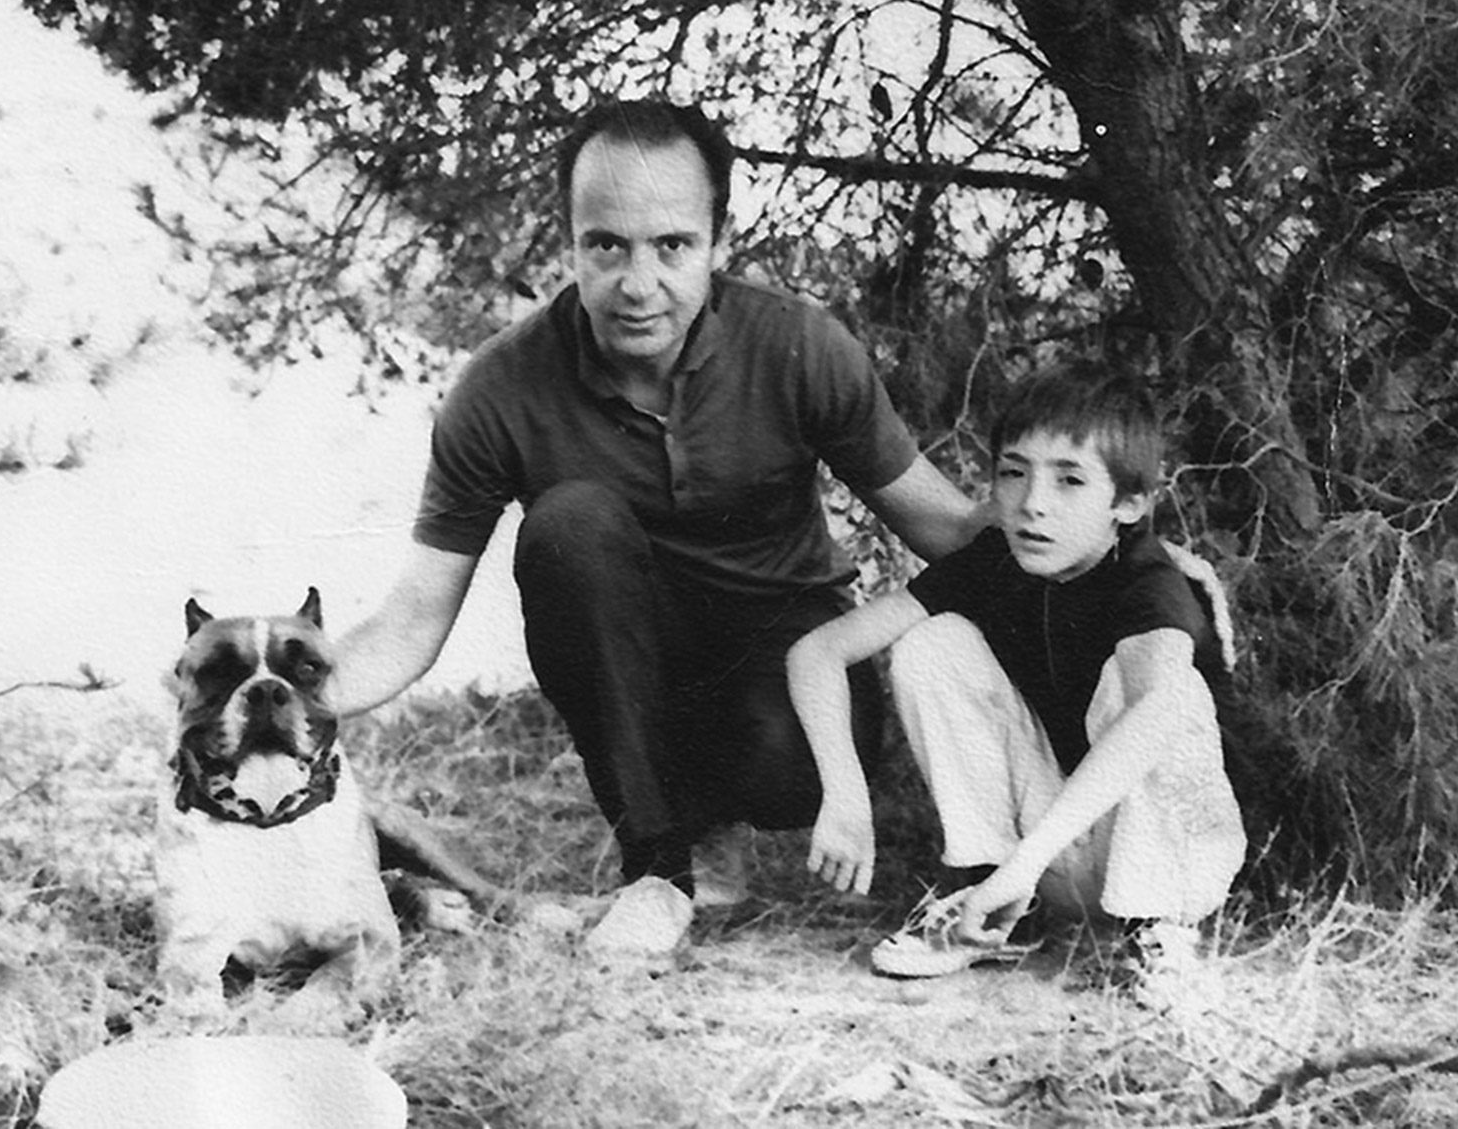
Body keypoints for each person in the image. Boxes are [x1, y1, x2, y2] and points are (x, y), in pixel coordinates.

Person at [326, 98, 981, 964]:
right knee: (569, 522)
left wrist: (1117, 568)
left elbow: (945, 525)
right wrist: (265, 698)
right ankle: (659, 869)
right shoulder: (500, 387)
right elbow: (413, 617)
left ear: (718, 239)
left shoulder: (801, 346)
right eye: (606, 245)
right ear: (570, 241)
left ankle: (711, 810)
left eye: (672, 245)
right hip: (633, 674)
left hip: (789, 674)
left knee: (785, 762)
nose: (639, 284)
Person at [786, 360, 1247, 988]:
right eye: (1013, 473)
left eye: (1070, 481)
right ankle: (996, 912)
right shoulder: (995, 560)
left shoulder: (1151, 585)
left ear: (1129, 503)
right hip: (1040, 862)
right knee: (933, 642)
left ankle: (1158, 930)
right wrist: (844, 794)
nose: (1033, 505)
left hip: (1157, 856)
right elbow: (817, 653)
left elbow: (1155, 720)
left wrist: (1028, 861)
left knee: (1166, 693)